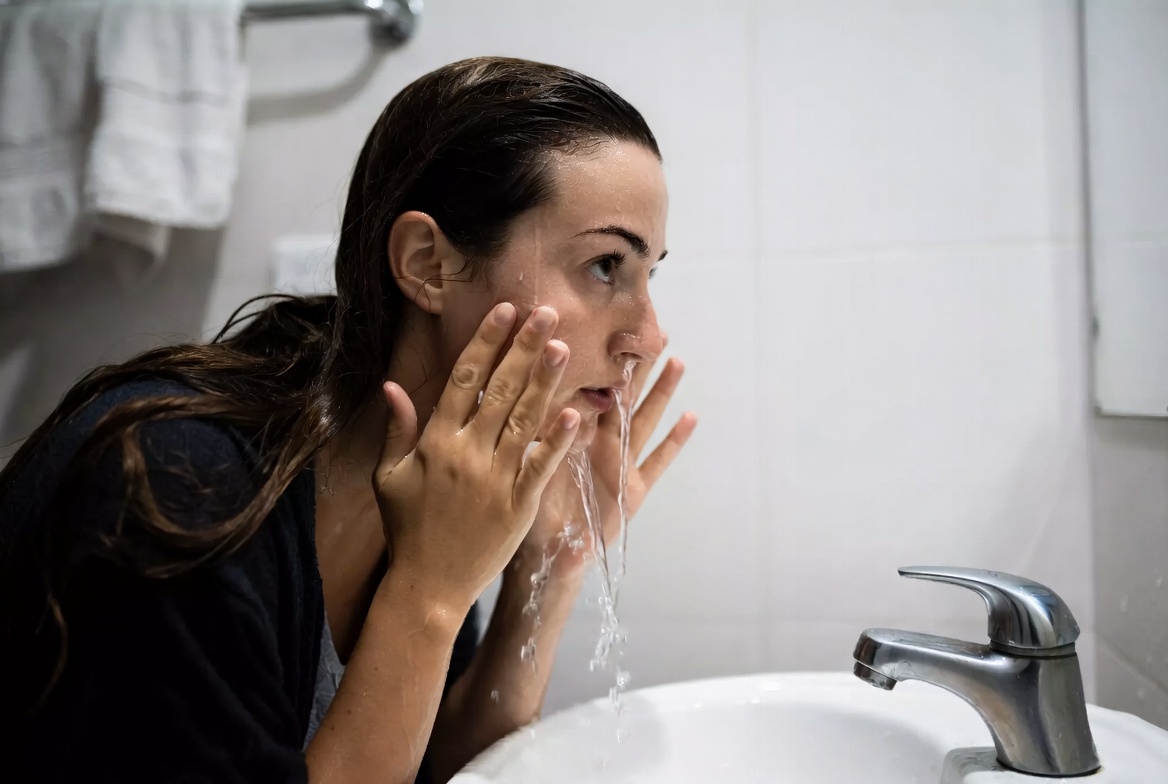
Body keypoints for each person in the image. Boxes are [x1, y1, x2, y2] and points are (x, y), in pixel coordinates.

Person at [0, 56, 696, 783]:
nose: (647, 338)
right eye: (605, 265)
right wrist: (428, 595)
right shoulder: (175, 488)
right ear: (427, 264)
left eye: (648, 274)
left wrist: (548, 567)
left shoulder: (424, 477)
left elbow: (442, 767)